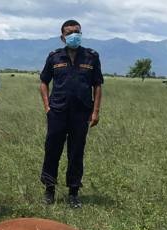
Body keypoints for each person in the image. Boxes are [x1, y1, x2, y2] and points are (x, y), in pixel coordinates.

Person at [39, 19, 103, 208]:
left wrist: (95, 111)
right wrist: (47, 107)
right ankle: (49, 190)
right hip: (57, 111)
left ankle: (73, 193)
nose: (73, 35)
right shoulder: (54, 57)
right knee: (52, 150)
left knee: (76, 153)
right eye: (69, 33)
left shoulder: (91, 57)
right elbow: (44, 82)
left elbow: (97, 85)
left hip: (81, 114)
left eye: (77, 32)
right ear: (62, 37)